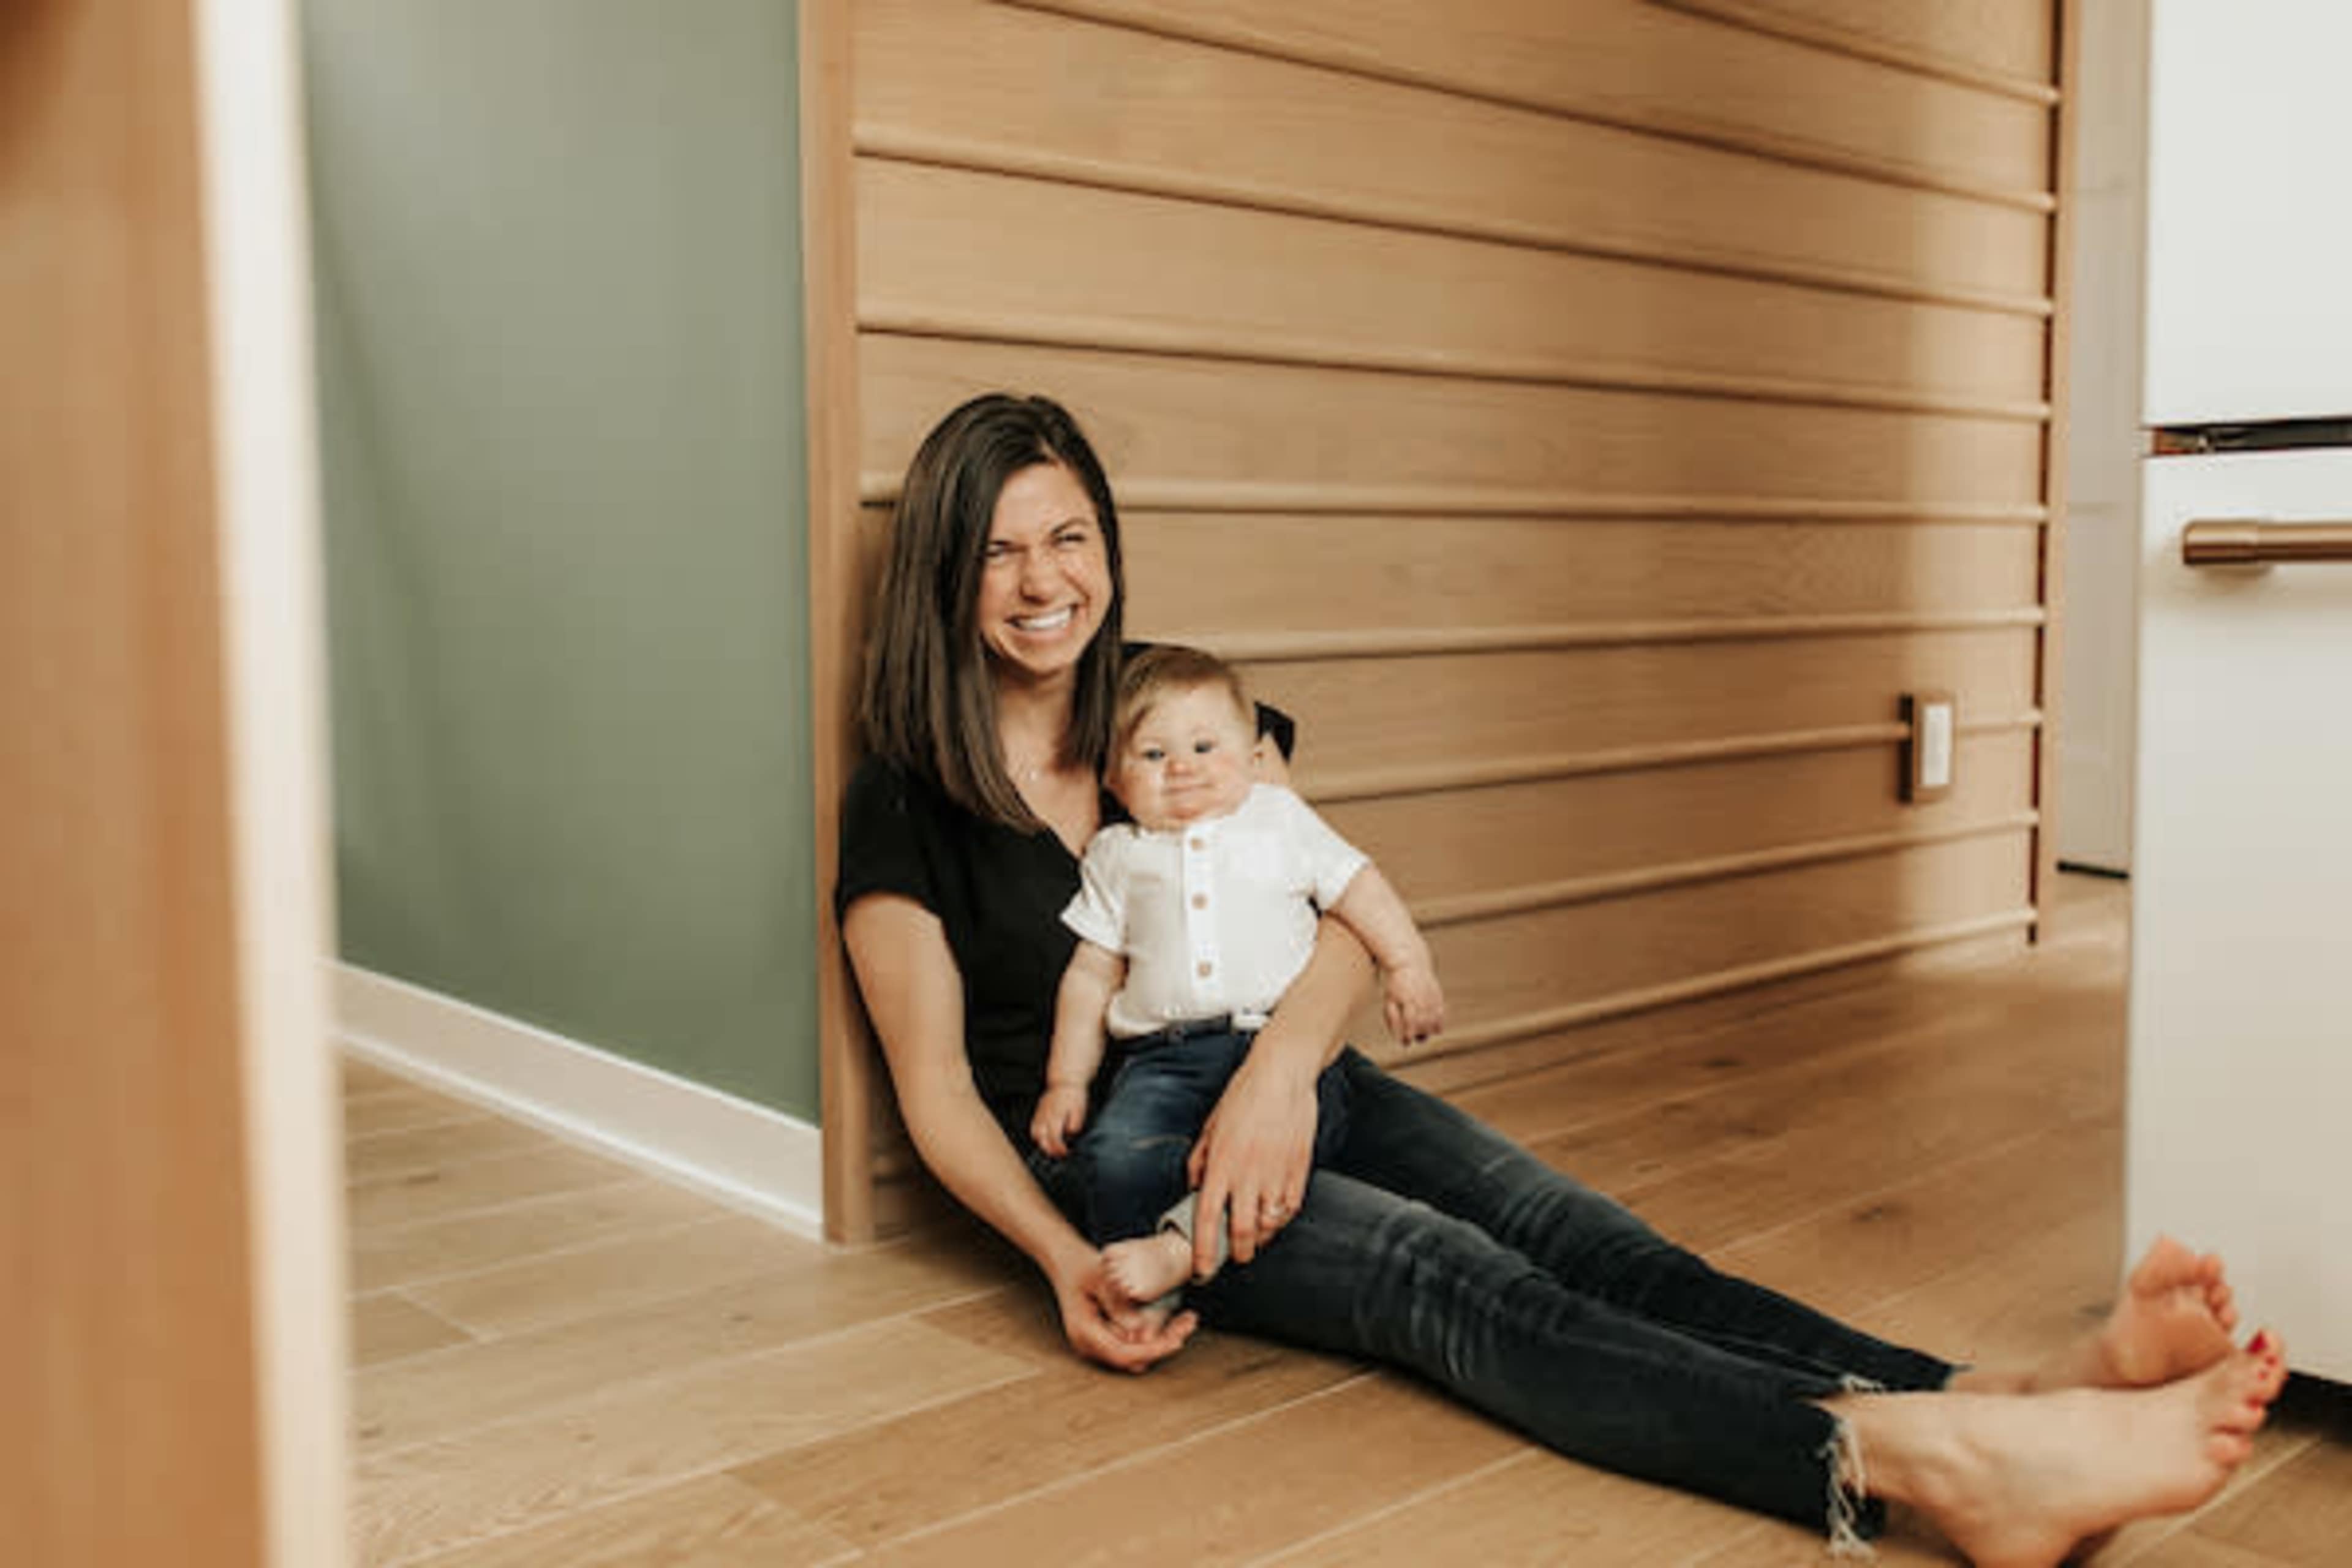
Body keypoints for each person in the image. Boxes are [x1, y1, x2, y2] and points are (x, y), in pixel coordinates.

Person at [835, 391, 2286, 1566]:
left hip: (1300, 1080)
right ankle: (1915, 1464)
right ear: (947, 575)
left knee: (1584, 1231)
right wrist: (1062, 1260)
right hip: (1139, 1159)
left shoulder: (1170, 696)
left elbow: (1332, 897)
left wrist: (1283, 1074)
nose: (1044, 582)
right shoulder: (903, 798)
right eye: (1000, 551)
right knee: (1457, 1281)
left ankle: (1995, 1396)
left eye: (1069, 535)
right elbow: (940, 1092)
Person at [1030, 643, 1444, 1308]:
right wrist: (1066, 1081)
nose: (1183, 769)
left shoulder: (1277, 820)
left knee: (1293, 1150)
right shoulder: (1116, 856)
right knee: (1114, 1154)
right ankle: (1140, 1294)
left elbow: (1357, 890)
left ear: (1254, 758)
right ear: (1113, 777)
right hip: (1162, 1061)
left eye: (1204, 746)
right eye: (1154, 755)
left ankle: (1178, 1249)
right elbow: (1089, 977)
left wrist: (1408, 962)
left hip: (1278, 1042)